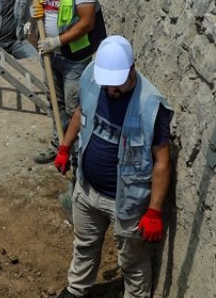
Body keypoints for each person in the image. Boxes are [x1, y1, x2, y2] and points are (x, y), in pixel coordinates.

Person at [52, 36, 173, 298]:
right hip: (86, 188)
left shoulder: (151, 106)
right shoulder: (92, 78)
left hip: (126, 203)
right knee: (84, 245)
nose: (111, 91)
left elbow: (162, 160)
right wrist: (64, 147)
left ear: (132, 69)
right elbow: (80, 113)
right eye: (107, 85)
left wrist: (153, 211)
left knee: (132, 260)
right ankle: (76, 290)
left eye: (117, 85)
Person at [31, 0, 106, 163]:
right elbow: (44, 6)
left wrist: (57, 41)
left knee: (74, 105)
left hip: (74, 57)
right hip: (50, 54)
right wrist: (35, 13)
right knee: (55, 100)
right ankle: (59, 143)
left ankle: (75, 154)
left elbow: (86, 23)